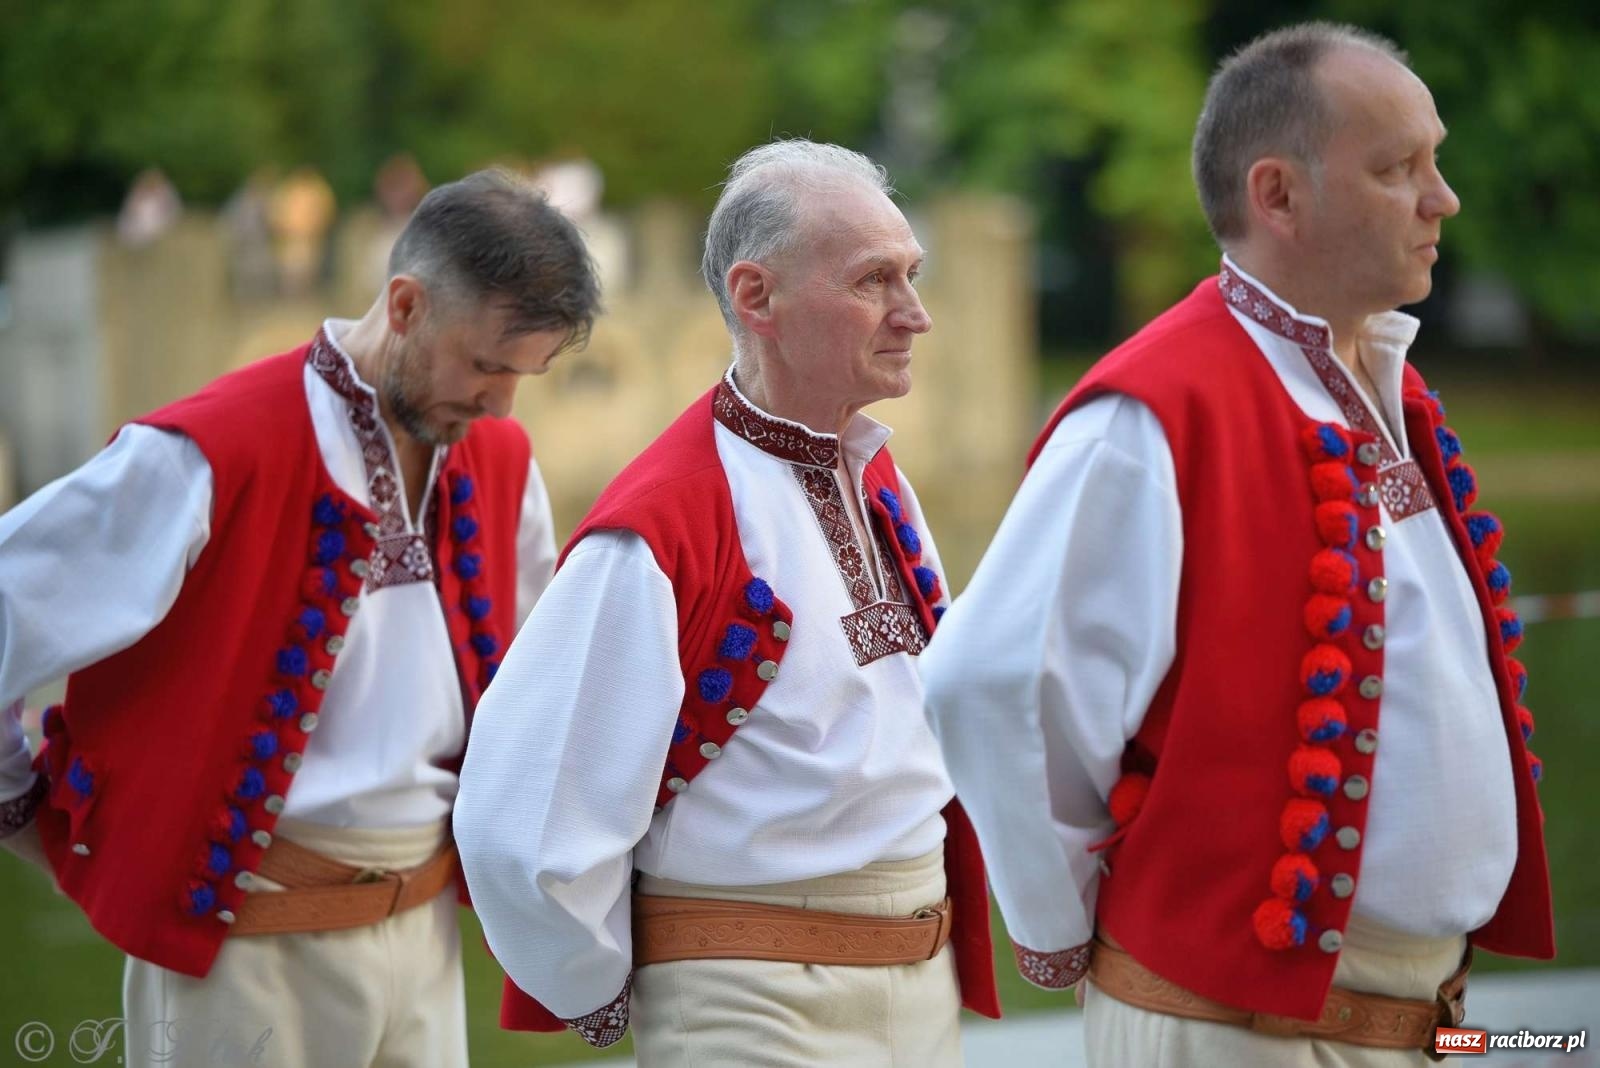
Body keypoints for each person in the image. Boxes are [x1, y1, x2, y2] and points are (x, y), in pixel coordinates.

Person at [922, 22, 1552, 1067]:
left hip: (1422, 1017)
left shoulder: (1380, 382)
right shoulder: (1154, 411)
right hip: (1232, 1029)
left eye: (1432, 161)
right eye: (1397, 168)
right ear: (1277, 195)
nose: (1441, 199)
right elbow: (988, 684)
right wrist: (1068, 928)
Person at [0, 168, 600, 1068]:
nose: (501, 404)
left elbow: (532, 698)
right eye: (485, 366)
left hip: (427, 941)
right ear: (406, 305)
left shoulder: (502, 461)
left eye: (525, 374)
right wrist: (29, 818)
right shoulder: (205, 455)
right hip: (241, 955)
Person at [455, 139, 999, 1067]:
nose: (916, 313)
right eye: (874, 280)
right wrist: (593, 981)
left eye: (911, 275)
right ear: (757, 298)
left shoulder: (875, 475)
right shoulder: (659, 528)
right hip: (748, 1001)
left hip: (919, 983)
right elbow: (523, 814)